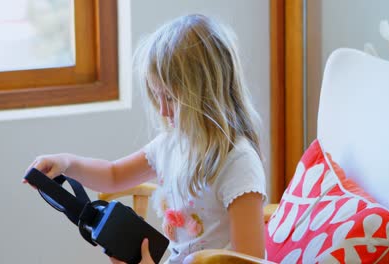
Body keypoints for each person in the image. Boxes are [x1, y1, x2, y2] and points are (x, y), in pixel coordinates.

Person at [24, 14, 267, 264]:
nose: (162, 110)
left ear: (207, 94)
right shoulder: (173, 144)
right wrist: (67, 163)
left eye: (171, 98)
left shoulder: (238, 163)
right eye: (157, 96)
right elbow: (113, 174)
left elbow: (248, 260)